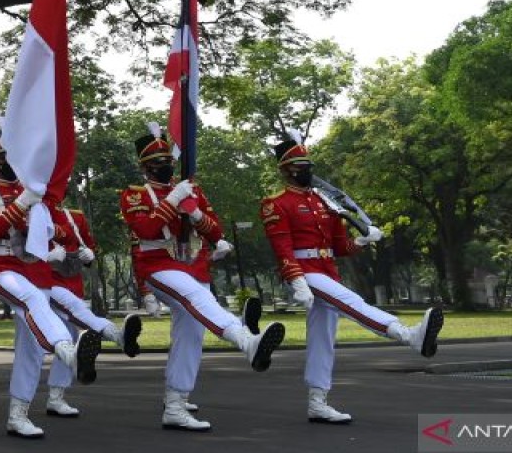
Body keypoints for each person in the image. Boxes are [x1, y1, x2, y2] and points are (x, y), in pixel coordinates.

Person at [261, 138, 444, 424]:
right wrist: (296, 280)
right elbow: (282, 247)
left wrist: (361, 240)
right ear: (286, 170)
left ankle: (317, 402)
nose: (306, 170)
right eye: (300, 166)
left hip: (326, 270)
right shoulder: (276, 204)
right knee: (353, 302)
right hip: (304, 272)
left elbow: (339, 246)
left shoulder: (324, 202)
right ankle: (409, 336)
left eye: (309, 165)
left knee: (323, 340)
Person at [121, 127, 287, 431]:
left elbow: (215, 230)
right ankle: (247, 341)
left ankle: (175, 403)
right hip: (158, 265)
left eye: (165, 160)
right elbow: (145, 230)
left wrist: (195, 213)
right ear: (144, 167)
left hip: (195, 266)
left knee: (190, 335)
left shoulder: (192, 190)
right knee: (200, 300)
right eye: (156, 162)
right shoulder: (134, 194)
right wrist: (172, 201)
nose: (164, 166)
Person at [0, 129, 104, 439]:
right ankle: (69, 353)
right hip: (3, 266)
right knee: (33, 301)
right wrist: (21, 204)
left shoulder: (40, 194)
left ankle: (18, 415)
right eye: (3, 157)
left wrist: (59, 241)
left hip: (37, 269)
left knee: (29, 346)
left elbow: (59, 231)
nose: (10, 162)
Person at [42, 202, 142, 417]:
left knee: (68, 339)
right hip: (46, 282)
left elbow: (88, 244)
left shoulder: (74, 216)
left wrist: (89, 255)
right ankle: (118, 336)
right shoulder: (35, 211)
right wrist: (44, 256)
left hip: (72, 281)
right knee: (78, 311)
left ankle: (56, 398)